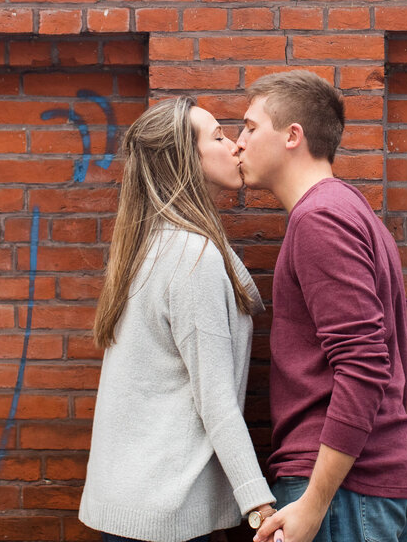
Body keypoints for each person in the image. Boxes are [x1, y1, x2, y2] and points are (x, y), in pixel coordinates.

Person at [235, 71, 407, 542]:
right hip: (354, 487)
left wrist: (313, 504)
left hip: (342, 490)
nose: (238, 143)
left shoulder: (320, 218)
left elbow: (363, 364)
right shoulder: (344, 209)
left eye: (250, 127)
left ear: (292, 136)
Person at [79, 97, 278, 542]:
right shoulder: (192, 257)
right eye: (219, 136)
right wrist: (259, 505)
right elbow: (216, 400)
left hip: (135, 506)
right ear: (186, 159)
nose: (235, 147)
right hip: (165, 516)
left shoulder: (151, 245)